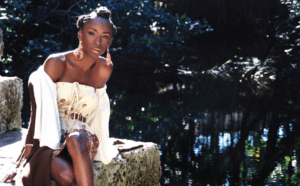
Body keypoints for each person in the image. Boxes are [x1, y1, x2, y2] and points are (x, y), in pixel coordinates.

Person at [1, 6, 142, 186]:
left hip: (82, 140)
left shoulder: (104, 68)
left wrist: (104, 146)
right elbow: (37, 108)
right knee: (66, 176)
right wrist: (28, 148)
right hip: (52, 137)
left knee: (75, 138)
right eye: (92, 33)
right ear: (80, 35)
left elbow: (99, 110)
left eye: (105, 36)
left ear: (109, 42)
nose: (98, 41)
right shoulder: (57, 63)